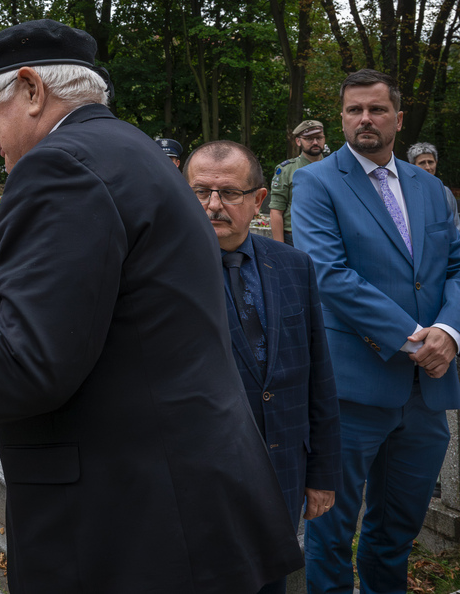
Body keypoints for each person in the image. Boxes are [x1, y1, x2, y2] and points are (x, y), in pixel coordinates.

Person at [0, 19, 303, 594]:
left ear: (31, 90)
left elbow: (31, 360)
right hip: (183, 506)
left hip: (134, 526)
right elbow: (97, 342)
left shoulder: (62, 167)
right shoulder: (131, 151)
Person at [291, 69, 460, 594]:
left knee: (397, 530)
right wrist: (416, 339)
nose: (365, 119)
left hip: (427, 394)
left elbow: (455, 267)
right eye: (354, 110)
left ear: (398, 118)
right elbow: (328, 272)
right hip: (354, 388)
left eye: (377, 109)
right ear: (342, 117)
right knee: (332, 531)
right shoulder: (316, 182)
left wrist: (450, 332)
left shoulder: (431, 188)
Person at [185, 140, 341, 594]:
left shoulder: (293, 266)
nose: (213, 204)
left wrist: (323, 475)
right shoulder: (158, 274)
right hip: (203, 483)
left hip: (283, 475)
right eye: (200, 191)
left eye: (229, 192)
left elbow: (318, 375)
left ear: (257, 200)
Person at [270, 120, 326, 245]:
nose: (315, 142)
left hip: (326, 238)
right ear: (298, 141)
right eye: (309, 139)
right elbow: (276, 210)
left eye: (319, 138)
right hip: (294, 239)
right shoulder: (286, 170)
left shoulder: (334, 168)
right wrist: (280, 247)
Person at [407, 142, 460, 229]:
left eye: (430, 162)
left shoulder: (445, 192)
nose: (428, 167)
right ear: (412, 165)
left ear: (436, 162)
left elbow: (456, 225)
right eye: (422, 163)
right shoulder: (406, 191)